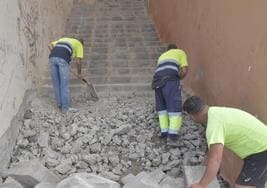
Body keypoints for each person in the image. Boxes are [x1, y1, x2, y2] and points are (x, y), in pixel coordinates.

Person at [183, 96, 267, 188]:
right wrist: (207, 160)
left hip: (262, 150)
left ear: (192, 115)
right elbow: (213, 150)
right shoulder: (216, 112)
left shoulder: (214, 126)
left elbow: (215, 160)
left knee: (242, 186)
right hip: (260, 146)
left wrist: (201, 185)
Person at [152, 44, 189, 144]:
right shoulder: (180, 52)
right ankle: (172, 137)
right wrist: (177, 79)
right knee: (174, 107)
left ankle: (164, 133)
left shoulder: (162, 56)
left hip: (156, 82)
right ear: (175, 49)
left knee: (162, 109)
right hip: (170, 81)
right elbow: (184, 70)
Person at [48, 37, 84, 112]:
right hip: (62, 59)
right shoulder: (79, 44)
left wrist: (57, 56)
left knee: (56, 83)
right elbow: (78, 61)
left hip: (52, 58)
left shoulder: (63, 39)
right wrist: (79, 73)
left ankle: (59, 104)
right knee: (64, 84)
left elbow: (50, 45)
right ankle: (65, 108)